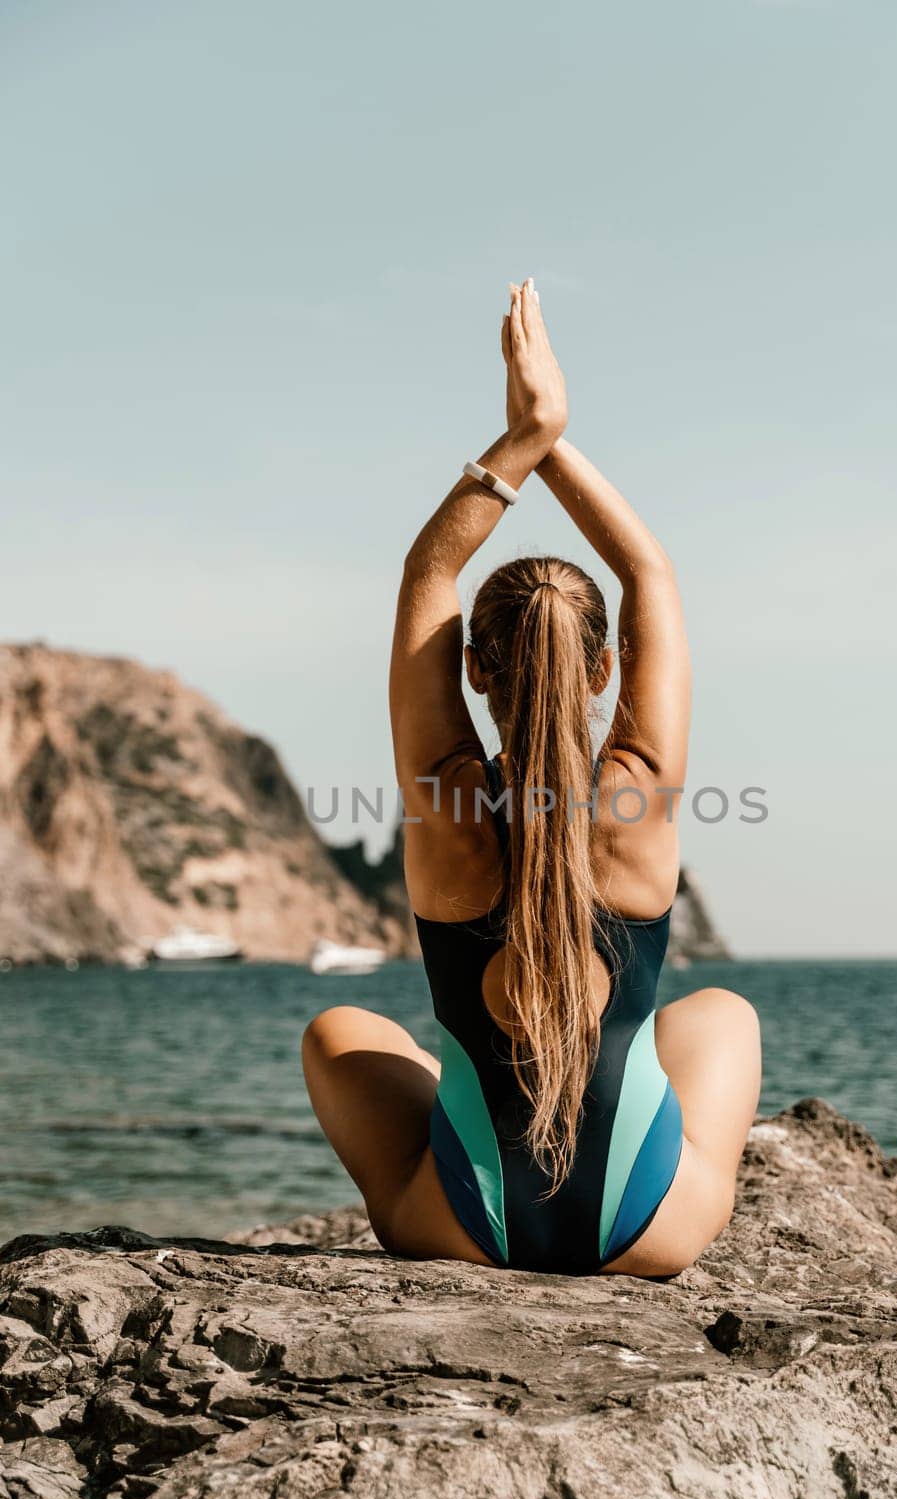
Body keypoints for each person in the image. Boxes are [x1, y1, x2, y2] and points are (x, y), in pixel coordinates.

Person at [303, 279, 761, 1276]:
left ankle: (448, 1171)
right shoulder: (637, 796)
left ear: (475, 666)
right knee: (720, 1014)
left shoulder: (444, 802)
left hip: (466, 1231)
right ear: (602, 670)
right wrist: (553, 437)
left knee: (339, 1028)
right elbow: (649, 575)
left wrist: (517, 439)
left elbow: (430, 573)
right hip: (645, 1232)